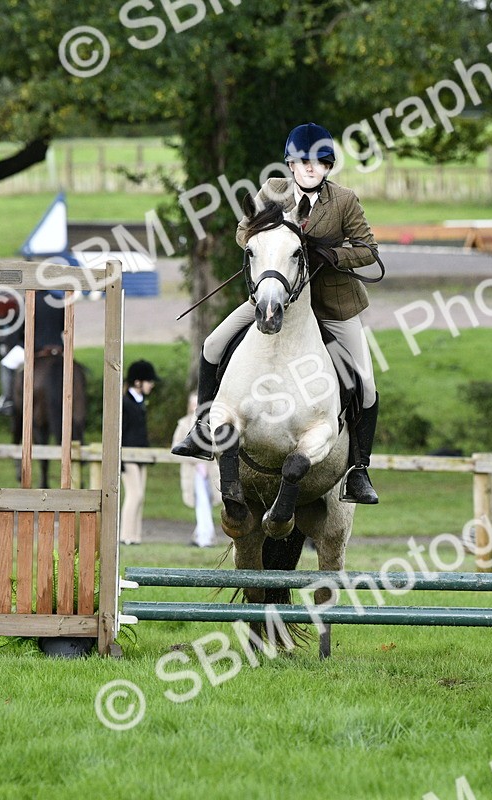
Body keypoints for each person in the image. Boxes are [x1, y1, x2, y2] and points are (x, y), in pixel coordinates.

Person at [172, 122, 383, 504]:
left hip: (333, 304)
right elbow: (242, 236)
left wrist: (330, 253)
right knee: (213, 343)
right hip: (276, 296)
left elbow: (369, 250)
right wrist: (266, 226)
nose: (310, 168)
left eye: (319, 163)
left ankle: (358, 471)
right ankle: (203, 429)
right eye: (302, 162)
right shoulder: (273, 193)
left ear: (328, 167)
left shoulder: (344, 201)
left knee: (366, 384)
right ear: (289, 163)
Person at [0, 290, 67, 416]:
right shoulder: (58, 300)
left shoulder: (27, 301)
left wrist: (8, 345)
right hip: (57, 348)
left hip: (34, 347)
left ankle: (8, 400)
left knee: (6, 363)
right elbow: (63, 326)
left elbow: (17, 329)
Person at [173, 393, 222, 548]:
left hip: (211, 471)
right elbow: (176, 449)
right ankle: (204, 537)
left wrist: (207, 465)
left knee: (206, 502)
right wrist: (197, 463)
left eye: (197, 404)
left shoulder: (212, 423)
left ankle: (202, 535)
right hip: (194, 472)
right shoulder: (183, 424)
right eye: (192, 404)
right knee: (201, 502)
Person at [120, 359, 159, 545]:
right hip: (127, 455)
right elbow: (120, 432)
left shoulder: (141, 402)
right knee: (134, 494)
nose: (151, 384)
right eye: (148, 381)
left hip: (140, 455)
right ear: (137, 382)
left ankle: (135, 536)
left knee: (140, 496)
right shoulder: (124, 403)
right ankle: (125, 535)